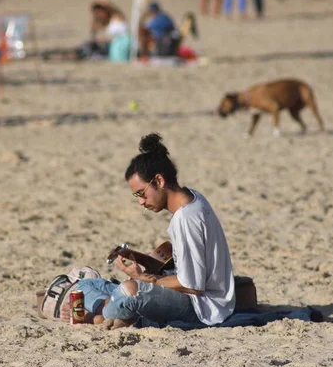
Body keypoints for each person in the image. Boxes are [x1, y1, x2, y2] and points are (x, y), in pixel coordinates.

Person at [73, 133, 237, 330]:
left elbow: (192, 285)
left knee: (129, 290)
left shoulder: (186, 218)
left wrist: (142, 278)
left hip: (203, 307)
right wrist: (138, 259)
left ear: (158, 180)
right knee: (85, 286)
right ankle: (115, 311)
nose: (140, 202)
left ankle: (99, 316)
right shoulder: (193, 197)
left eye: (141, 193)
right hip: (194, 294)